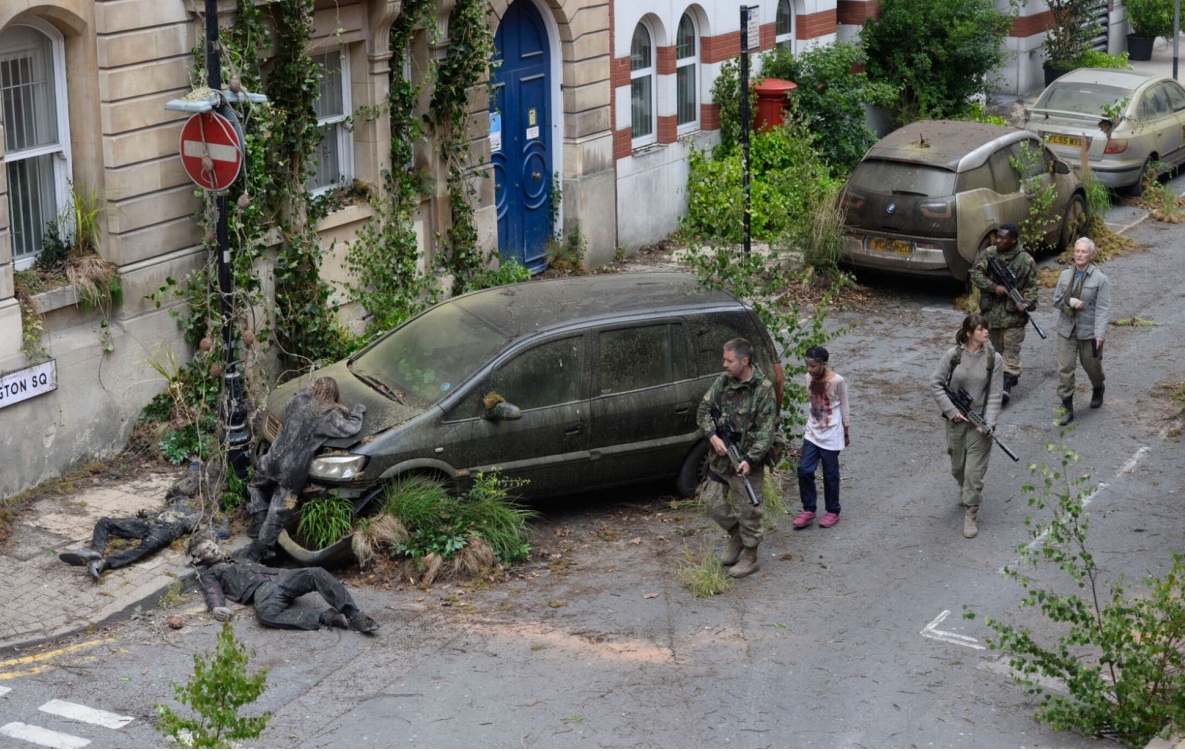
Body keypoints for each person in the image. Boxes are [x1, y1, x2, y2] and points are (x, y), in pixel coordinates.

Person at [246, 376, 365, 561]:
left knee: (255, 485)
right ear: (333, 394)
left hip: (272, 459)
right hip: (293, 473)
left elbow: (288, 408)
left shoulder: (297, 400)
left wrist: (306, 391)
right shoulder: (328, 414)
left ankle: (258, 519)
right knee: (279, 511)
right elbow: (350, 428)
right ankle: (263, 549)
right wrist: (358, 411)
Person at [695, 338, 779, 578]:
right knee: (711, 499)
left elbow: (766, 433)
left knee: (748, 510)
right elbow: (702, 410)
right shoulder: (723, 382)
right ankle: (736, 535)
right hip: (722, 457)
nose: (724, 364)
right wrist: (713, 437)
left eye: (729, 360)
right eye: (724, 359)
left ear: (745, 361)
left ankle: (751, 557)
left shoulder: (763, 390)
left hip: (747, 460)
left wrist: (750, 460)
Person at [189, 533, 379, 633]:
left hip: (281, 576)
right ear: (199, 558)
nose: (212, 550)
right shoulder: (211, 573)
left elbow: (262, 544)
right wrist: (216, 608)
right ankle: (325, 618)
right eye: (206, 550)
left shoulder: (241, 556)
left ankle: (355, 616)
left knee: (315, 572)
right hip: (262, 591)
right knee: (265, 615)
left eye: (212, 545)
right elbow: (212, 591)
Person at [929, 315, 1005, 539]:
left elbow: (995, 394)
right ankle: (964, 487)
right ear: (969, 333)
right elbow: (936, 383)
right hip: (956, 420)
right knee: (958, 466)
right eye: (981, 330)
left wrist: (988, 423)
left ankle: (971, 511)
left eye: (987, 329)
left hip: (979, 420)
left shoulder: (994, 359)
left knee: (974, 473)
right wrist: (952, 412)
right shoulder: (954, 355)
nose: (986, 333)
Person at [969, 223, 1037, 407]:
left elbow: (1031, 289)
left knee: (1011, 352)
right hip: (991, 315)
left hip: (1014, 318)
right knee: (998, 352)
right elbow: (975, 273)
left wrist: (1025, 304)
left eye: (1002, 238)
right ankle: (1006, 377)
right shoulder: (990, 253)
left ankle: (1005, 388)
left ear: (1013, 240)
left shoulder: (1025, 261)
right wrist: (994, 287)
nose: (998, 240)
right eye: (997, 237)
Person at [59, 500, 203, 581]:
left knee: (145, 547)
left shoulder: (196, 515)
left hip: (165, 531)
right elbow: (159, 513)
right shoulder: (178, 502)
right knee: (104, 522)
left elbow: (220, 532)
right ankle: (95, 552)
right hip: (150, 523)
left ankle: (104, 563)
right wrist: (146, 514)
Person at [1052, 237, 1110, 426]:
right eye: (1077, 251)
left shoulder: (1100, 279)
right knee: (1065, 368)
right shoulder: (1065, 275)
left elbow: (1102, 308)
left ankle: (1098, 386)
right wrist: (1070, 302)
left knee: (1092, 366)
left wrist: (1099, 334)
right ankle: (1067, 406)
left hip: (1088, 331)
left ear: (1091, 255)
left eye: (1084, 252)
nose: (1079, 254)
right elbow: (1056, 300)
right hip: (1066, 330)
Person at [793, 346, 851, 530]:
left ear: (824, 364)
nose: (810, 369)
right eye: (807, 365)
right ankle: (809, 509)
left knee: (830, 474)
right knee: (804, 469)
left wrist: (846, 430)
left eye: (813, 365)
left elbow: (844, 405)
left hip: (832, 432)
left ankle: (833, 510)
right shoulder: (808, 378)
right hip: (813, 431)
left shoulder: (837, 381)